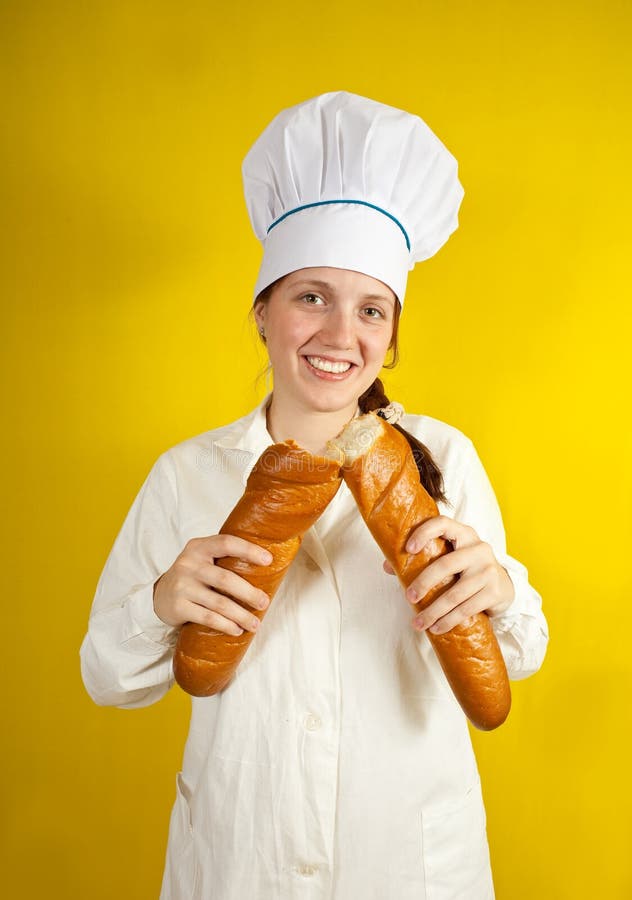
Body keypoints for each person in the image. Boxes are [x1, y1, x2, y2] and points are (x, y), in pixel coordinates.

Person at [80, 91, 548, 900]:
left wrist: (501, 595)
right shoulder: (188, 473)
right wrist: (161, 602)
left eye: (370, 309)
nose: (340, 335)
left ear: (391, 336)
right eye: (311, 297)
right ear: (263, 313)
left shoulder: (445, 457)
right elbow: (109, 678)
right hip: (240, 860)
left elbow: (518, 657)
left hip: (410, 863)